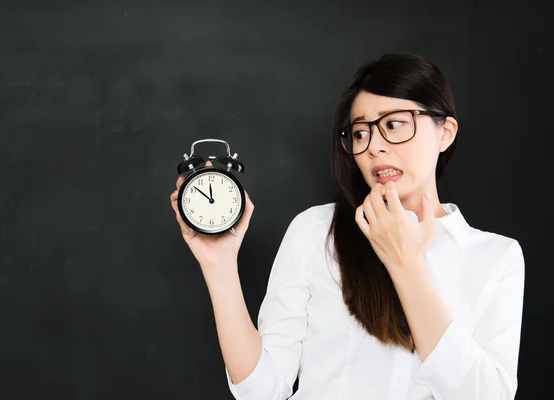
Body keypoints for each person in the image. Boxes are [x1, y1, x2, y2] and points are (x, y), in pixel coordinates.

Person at [169, 53, 525, 400]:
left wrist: (406, 266)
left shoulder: (495, 257)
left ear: (444, 133)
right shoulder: (316, 231)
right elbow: (262, 391)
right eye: (359, 133)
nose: (375, 147)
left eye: (394, 124)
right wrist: (220, 267)